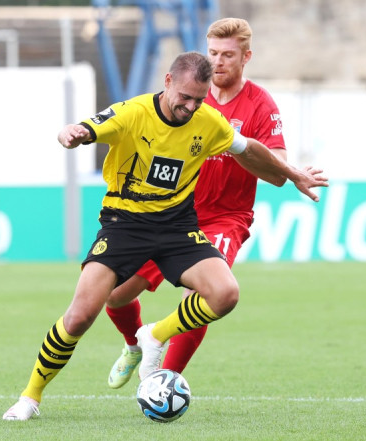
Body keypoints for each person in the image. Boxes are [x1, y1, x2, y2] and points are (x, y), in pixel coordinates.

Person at [2, 51, 328, 421]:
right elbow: (86, 128)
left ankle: (155, 334)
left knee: (225, 294)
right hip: (124, 225)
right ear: (168, 81)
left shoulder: (209, 121)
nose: (190, 107)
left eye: (199, 100)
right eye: (185, 97)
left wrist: (293, 174)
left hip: (177, 226)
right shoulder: (132, 113)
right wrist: (71, 133)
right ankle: (30, 397)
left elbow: (248, 148)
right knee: (80, 317)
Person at [104, 17, 292, 389]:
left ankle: (162, 381)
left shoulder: (260, 105)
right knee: (114, 295)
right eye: (213, 53)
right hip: (170, 215)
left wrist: (234, 144)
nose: (218, 61)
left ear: (246, 57)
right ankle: (135, 344)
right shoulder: (189, 99)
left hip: (224, 217)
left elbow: (278, 169)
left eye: (228, 55)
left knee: (204, 296)